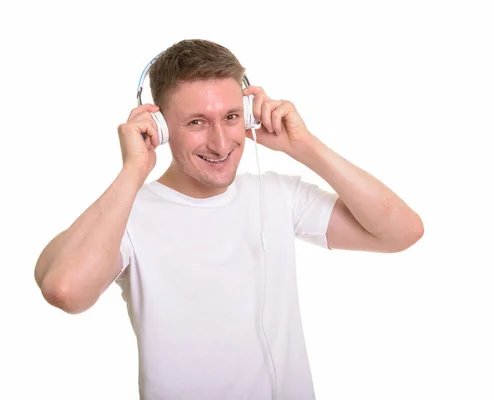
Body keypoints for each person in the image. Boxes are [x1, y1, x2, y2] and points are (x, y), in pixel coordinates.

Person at [33, 39, 424, 400]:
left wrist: (303, 145)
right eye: (196, 122)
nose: (221, 143)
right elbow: (65, 290)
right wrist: (133, 169)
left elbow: (402, 231)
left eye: (232, 116)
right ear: (162, 128)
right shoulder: (124, 215)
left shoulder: (278, 194)